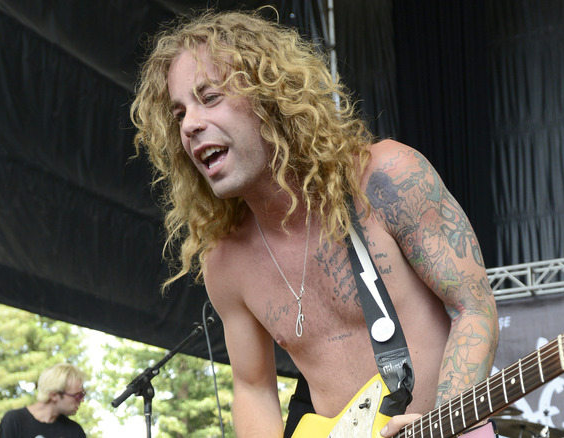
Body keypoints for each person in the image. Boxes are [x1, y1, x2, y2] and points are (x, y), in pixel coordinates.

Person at [131, 9, 498, 437]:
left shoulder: (385, 178)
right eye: (179, 114)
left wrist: (446, 418)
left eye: (209, 97)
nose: (190, 125)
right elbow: (253, 389)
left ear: (270, 98)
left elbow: (473, 307)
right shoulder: (224, 261)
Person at [0, 363, 87, 438]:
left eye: (83, 394)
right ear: (54, 395)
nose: (82, 400)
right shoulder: (14, 421)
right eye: (78, 395)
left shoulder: (75, 431)